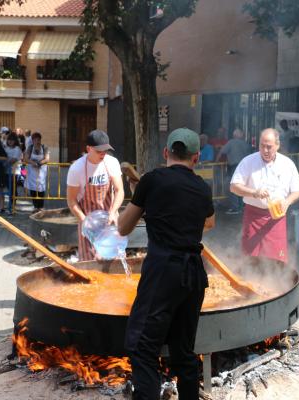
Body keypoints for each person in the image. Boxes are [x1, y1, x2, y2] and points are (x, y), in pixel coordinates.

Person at [118, 128, 215, 400]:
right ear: (196, 157)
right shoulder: (202, 188)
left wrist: (143, 199)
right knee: (184, 353)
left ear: (166, 153)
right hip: (194, 274)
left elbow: (123, 227)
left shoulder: (152, 180)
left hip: (163, 271)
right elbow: (210, 222)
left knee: (142, 348)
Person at [230, 128, 299, 269]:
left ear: (277, 145)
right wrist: (254, 193)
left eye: (269, 147)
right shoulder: (248, 161)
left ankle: (276, 286)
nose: (265, 150)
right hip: (253, 217)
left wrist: (287, 202)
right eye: (262, 145)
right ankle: (249, 284)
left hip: (276, 218)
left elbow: (297, 191)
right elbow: (234, 186)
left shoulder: (287, 164)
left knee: (276, 261)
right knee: (250, 259)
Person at [66, 130, 125, 261]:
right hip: (88, 220)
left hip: (109, 219)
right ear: (88, 149)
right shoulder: (77, 169)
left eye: (105, 150)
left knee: (115, 261)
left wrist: (113, 212)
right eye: (99, 151)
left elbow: (119, 190)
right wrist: (86, 222)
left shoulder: (112, 162)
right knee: (90, 265)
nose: (103, 154)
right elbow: (71, 201)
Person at [216, 128, 252, 214]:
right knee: (242, 186)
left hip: (234, 167)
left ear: (234, 135)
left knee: (233, 187)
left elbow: (222, 151)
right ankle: (241, 206)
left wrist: (216, 161)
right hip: (245, 167)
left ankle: (235, 208)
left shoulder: (231, 142)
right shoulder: (246, 144)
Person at [23, 132, 49, 212]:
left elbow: (47, 158)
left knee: (41, 188)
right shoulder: (30, 148)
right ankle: (35, 206)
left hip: (41, 171)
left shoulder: (44, 147)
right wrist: (33, 163)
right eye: (35, 139)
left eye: (38, 139)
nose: (37, 141)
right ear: (32, 140)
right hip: (32, 171)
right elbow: (26, 159)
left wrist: (39, 163)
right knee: (33, 188)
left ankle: (40, 207)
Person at [4, 133, 23, 213]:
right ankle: (11, 204)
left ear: (15, 141)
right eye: (9, 140)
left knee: (13, 188)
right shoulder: (6, 148)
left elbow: (14, 159)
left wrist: (4, 163)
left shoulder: (17, 149)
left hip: (15, 172)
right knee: (9, 188)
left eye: (12, 140)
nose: (10, 141)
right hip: (7, 171)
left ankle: (13, 205)